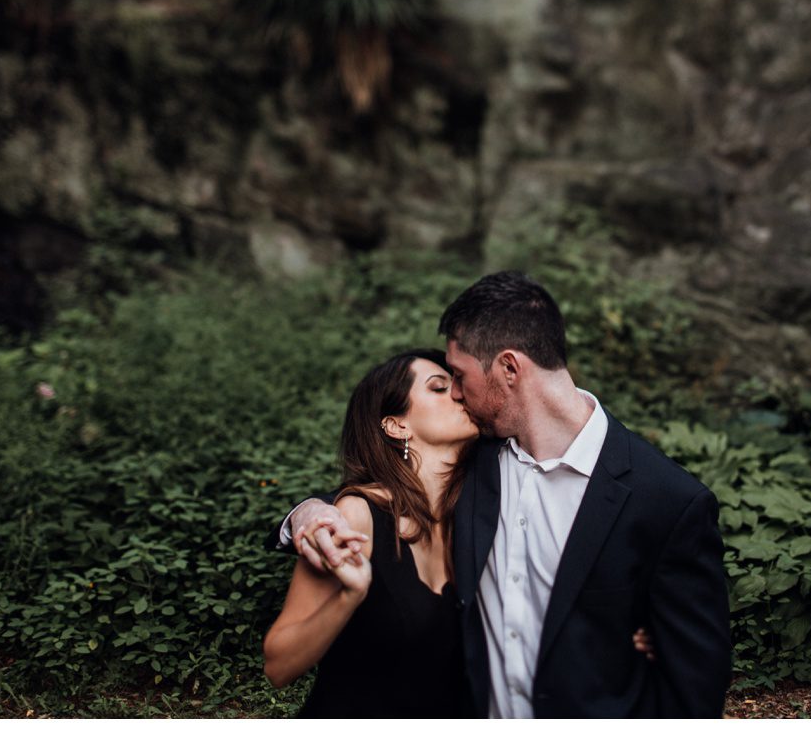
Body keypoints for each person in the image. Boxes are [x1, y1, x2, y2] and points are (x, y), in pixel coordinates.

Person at [281, 271, 731, 718]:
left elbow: (694, 685)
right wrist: (308, 512)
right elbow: (391, 490)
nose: (457, 393)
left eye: (459, 376)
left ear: (509, 368)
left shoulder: (666, 500)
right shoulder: (476, 463)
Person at [261, 349, 477, 717]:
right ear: (397, 426)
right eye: (439, 388)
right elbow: (278, 666)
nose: (458, 393)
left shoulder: (477, 514)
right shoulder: (355, 518)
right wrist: (350, 595)